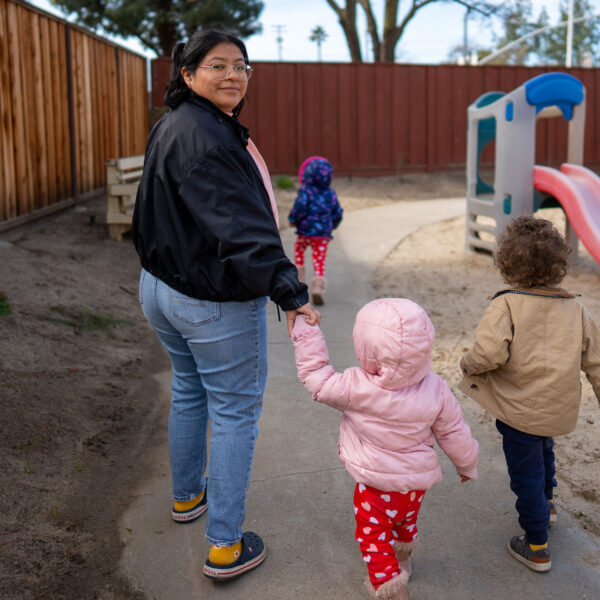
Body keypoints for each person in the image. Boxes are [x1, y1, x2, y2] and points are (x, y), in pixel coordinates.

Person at [132, 29, 320, 581]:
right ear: (188, 74)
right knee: (235, 414)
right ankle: (223, 546)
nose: (235, 75)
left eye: (242, 66)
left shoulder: (178, 124)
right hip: (208, 298)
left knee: (190, 390)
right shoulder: (208, 138)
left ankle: (189, 498)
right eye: (219, 66)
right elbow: (242, 230)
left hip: (161, 287)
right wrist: (289, 292)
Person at [292, 298, 479, 600]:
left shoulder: (356, 386)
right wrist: (467, 465)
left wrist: (306, 333)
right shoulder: (436, 388)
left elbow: (317, 379)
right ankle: (403, 559)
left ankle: (394, 589)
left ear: (366, 348)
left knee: (373, 538)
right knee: (403, 523)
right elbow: (453, 431)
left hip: (375, 490)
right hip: (414, 489)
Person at [459, 214, 600, 573]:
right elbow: (596, 362)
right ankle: (549, 504)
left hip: (518, 409)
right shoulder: (576, 308)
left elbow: (490, 354)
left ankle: (536, 545)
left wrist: (468, 364)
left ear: (506, 264)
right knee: (544, 448)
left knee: (525, 472)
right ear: (559, 264)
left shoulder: (505, 304)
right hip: (557, 408)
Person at [288, 156, 343, 305]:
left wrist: (293, 220)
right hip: (322, 235)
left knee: (299, 250)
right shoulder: (330, 193)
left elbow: (300, 207)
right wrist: (332, 225)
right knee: (319, 261)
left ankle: (299, 283)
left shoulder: (305, 190)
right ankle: (318, 287)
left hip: (305, 232)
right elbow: (337, 212)